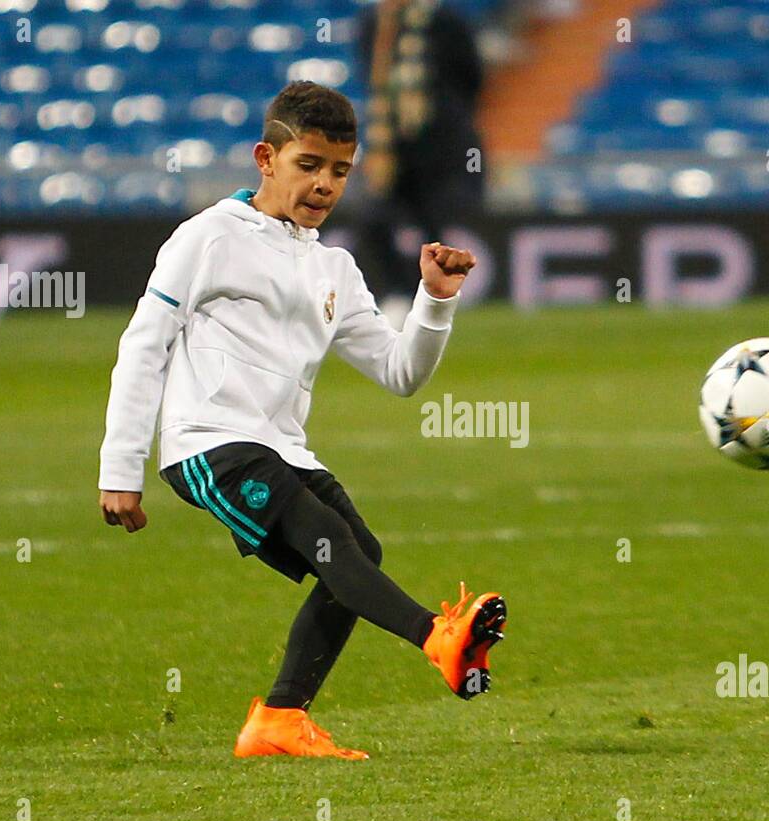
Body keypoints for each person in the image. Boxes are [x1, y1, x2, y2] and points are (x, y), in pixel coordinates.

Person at [97, 81, 507, 761]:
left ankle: (280, 719)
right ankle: (438, 636)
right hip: (210, 442)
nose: (324, 185)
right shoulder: (206, 238)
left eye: (339, 171)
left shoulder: (334, 268)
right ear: (267, 157)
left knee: (357, 553)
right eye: (308, 165)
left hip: (283, 447)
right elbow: (144, 344)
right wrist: (120, 469)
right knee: (328, 540)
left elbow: (400, 374)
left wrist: (435, 303)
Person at [355, 0, 486, 323]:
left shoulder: (445, 21)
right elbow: (369, 77)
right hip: (390, 145)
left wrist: (445, 118)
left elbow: (471, 77)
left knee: (432, 225)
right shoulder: (374, 22)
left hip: (440, 144)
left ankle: (431, 299)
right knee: (373, 217)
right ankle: (399, 292)